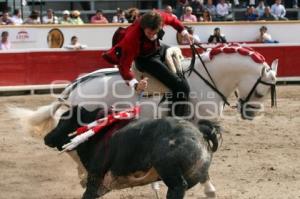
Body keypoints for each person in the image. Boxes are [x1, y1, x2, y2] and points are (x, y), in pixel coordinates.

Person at [102, 11, 194, 116]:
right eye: (149, 33)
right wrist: (135, 85)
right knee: (181, 88)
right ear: (143, 27)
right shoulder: (132, 38)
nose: (152, 36)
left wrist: (184, 33)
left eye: (155, 33)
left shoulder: (160, 18)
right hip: (146, 59)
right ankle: (176, 122)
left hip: (159, 48)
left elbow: (173, 20)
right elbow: (124, 67)